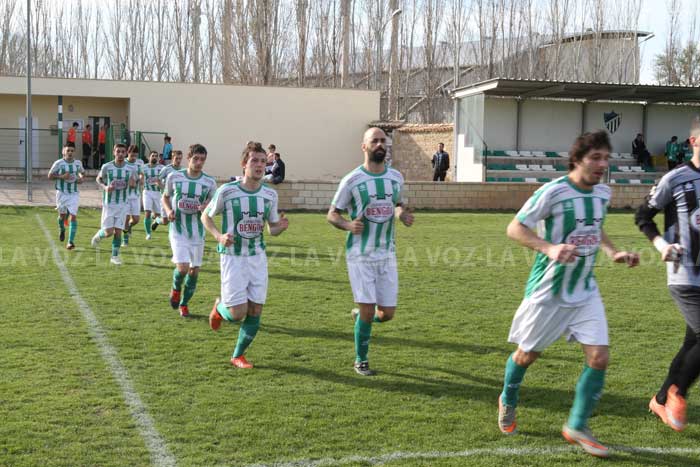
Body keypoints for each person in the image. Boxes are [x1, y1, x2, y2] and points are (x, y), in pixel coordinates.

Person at [497, 130, 639, 458]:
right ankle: (508, 397)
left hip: (585, 291)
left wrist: (613, 252)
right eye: (595, 158)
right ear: (577, 160)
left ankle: (577, 424)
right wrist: (549, 248)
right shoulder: (554, 192)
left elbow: (595, 226)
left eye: (606, 158)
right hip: (549, 291)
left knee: (599, 357)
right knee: (526, 356)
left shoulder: (602, 192)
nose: (602, 164)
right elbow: (515, 228)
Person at [327, 127, 414, 376]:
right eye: (374, 141)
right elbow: (332, 214)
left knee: (387, 314)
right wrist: (347, 225)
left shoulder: (395, 177)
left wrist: (401, 214)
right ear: (364, 146)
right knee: (368, 309)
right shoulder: (352, 180)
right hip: (360, 254)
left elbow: (398, 204)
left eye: (383, 141)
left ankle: (360, 319)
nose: (380, 145)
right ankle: (361, 360)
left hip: (387, 253)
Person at [635, 119, 700, 433]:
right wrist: (661, 244)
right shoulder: (675, 178)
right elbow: (643, 215)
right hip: (685, 273)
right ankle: (678, 394)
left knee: (692, 343)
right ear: (693, 142)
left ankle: (661, 399)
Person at [204, 142, 289, 369]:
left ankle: (238, 355)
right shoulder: (227, 191)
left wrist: (280, 227)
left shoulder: (269, 194)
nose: (260, 165)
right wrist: (219, 236)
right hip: (232, 257)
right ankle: (219, 309)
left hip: (257, 257)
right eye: (254, 161)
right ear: (244, 164)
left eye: (263, 161)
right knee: (237, 314)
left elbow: (272, 229)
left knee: (256, 309)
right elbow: (206, 216)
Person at [162, 144, 217, 318]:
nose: (199, 162)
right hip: (178, 229)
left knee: (194, 271)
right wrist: (168, 211)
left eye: (202, 160)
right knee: (183, 268)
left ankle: (184, 304)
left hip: (198, 232)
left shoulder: (209, 182)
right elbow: (165, 197)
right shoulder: (174, 177)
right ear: (188, 158)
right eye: (196, 159)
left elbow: (213, 204)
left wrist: (206, 207)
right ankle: (175, 288)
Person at [91, 144, 138, 265]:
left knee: (118, 231)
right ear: (114, 152)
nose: (120, 154)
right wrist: (105, 187)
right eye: (118, 151)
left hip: (123, 204)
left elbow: (134, 182)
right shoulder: (107, 166)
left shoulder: (131, 168)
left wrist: (133, 183)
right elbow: (98, 179)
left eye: (123, 152)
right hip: (109, 204)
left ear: (126, 153)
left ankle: (114, 256)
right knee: (109, 232)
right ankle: (99, 235)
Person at [48, 142, 85, 250]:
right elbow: (50, 176)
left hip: (74, 194)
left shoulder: (78, 163)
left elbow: (82, 172)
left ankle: (70, 242)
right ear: (63, 151)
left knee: (73, 216)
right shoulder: (59, 163)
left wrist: (81, 178)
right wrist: (61, 176)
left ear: (74, 152)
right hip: (61, 193)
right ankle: (62, 228)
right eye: (68, 150)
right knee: (62, 216)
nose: (70, 152)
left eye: (72, 151)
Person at [152, 150, 183, 231]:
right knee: (165, 221)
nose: (178, 160)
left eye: (180, 158)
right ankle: (157, 220)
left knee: (175, 217)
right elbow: (157, 180)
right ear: (172, 158)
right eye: (176, 158)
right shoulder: (166, 169)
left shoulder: (183, 170)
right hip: (166, 197)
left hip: (176, 197)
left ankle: (175, 235)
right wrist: (165, 190)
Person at [122, 145, 145, 247]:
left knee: (136, 219)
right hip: (125, 195)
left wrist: (141, 179)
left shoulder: (140, 162)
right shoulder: (123, 162)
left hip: (136, 195)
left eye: (135, 155)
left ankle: (130, 227)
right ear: (128, 153)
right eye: (132, 155)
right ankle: (125, 240)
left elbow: (141, 173)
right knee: (126, 218)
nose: (134, 158)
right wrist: (128, 181)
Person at [142, 150, 164, 240]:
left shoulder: (162, 168)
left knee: (158, 215)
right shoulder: (144, 167)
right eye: (153, 156)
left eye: (156, 156)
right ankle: (148, 234)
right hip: (147, 192)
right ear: (149, 157)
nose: (154, 157)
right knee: (147, 213)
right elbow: (140, 176)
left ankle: (155, 219)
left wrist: (162, 185)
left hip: (158, 193)